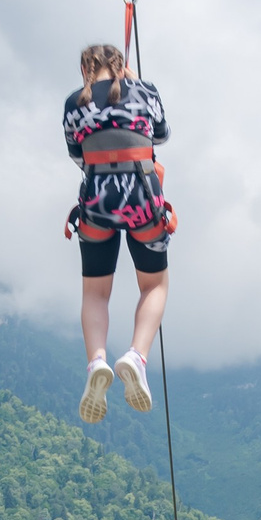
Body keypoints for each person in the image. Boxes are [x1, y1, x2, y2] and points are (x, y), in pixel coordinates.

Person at [63, 42, 175, 419]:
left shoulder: (73, 103)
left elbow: (77, 155)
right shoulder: (145, 92)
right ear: (121, 67)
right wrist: (137, 85)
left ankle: (97, 361)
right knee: (154, 285)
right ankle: (136, 356)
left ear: (85, 70)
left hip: (96, 203)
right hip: (142, 199)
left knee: (95, 293)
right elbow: (161, 134)